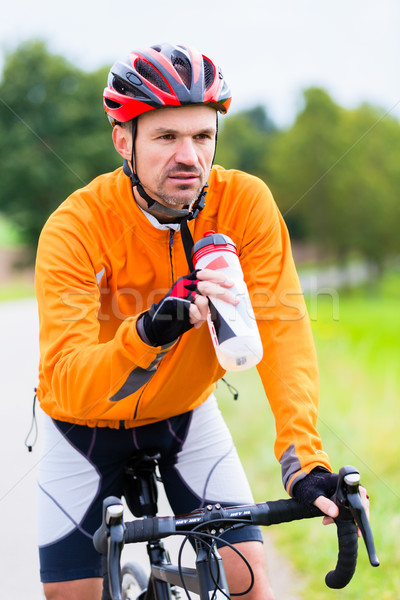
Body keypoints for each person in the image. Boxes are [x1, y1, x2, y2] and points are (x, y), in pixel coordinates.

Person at [34, 43, 368, 600]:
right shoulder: (76, 226)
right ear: (124, 140)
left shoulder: (244, 203)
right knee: (72, 595)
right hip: (81, 429)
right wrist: (146, 332)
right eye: (166, 137)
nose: (189, 155)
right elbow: (66, 375)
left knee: (249, 586)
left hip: (185, 416)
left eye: (202, 136)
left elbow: (282, 333)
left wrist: (303, 462)